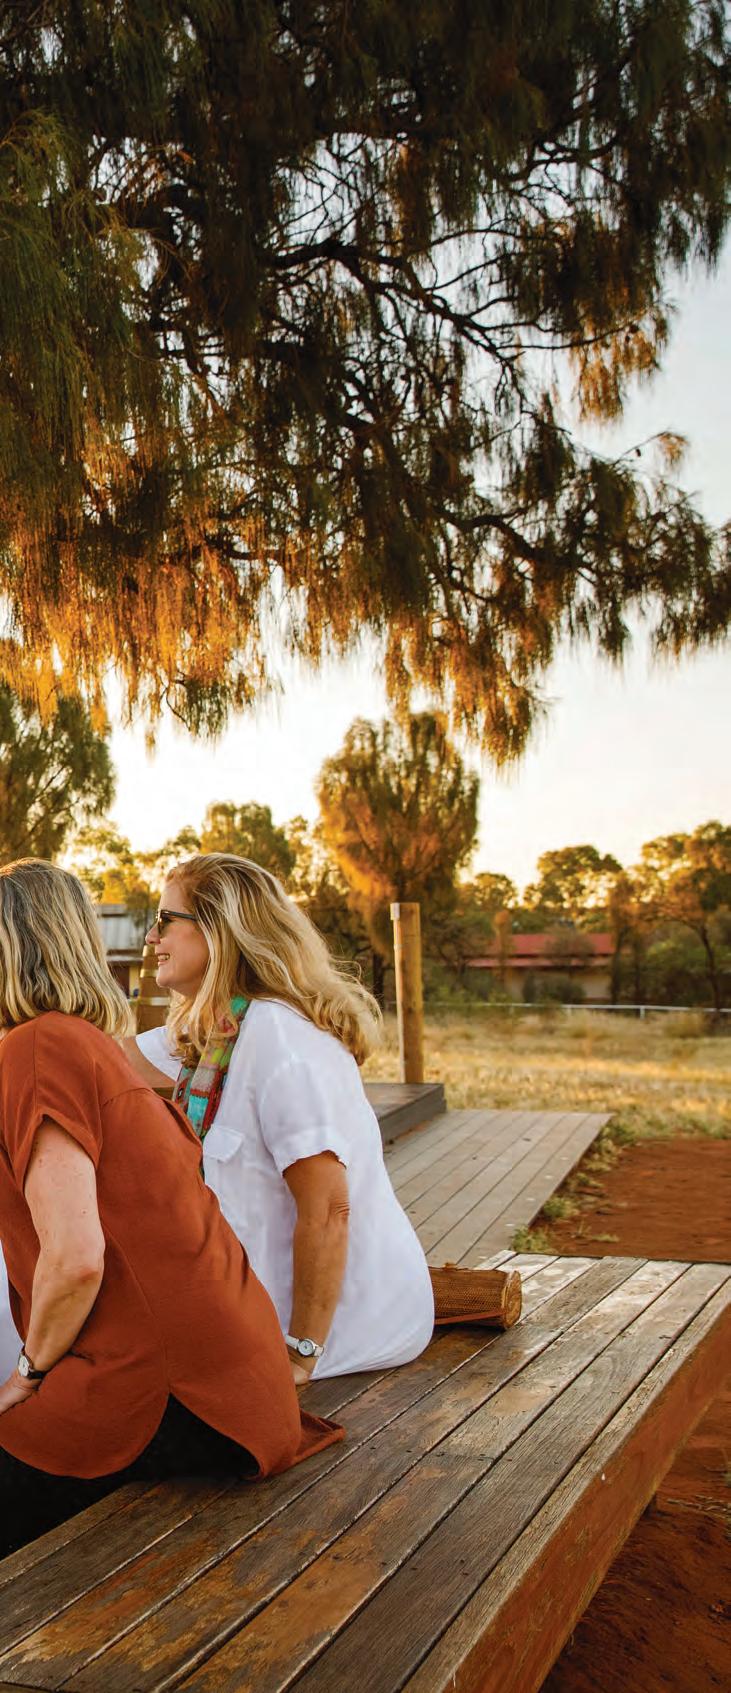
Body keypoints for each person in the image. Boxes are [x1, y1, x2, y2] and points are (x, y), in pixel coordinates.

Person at [0, 860, 340, 1559]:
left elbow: (75, 1257)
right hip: (234, 1382)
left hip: (173, 1394)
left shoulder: (39, 1048)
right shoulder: (82, 1044)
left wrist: (28, 1374)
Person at [124, 853, 435, 1389]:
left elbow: (329, 1208)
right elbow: (93, 1059)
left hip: (346, 1330)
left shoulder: (280, 1037)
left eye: (165, 920)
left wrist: (300, 1355)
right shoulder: (217, 1033)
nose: (151, 938)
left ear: (219, 929)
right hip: (255, 1315)